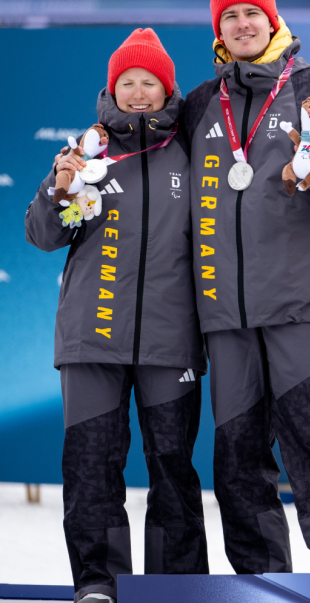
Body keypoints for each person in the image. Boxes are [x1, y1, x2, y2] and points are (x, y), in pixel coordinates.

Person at [181, 0, 310, 574]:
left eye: (251, 14)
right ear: (219, 31)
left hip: (301, 307)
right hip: (227, 316)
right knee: (238, 461)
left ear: (273, 21)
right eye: (229, 18)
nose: (242, 25)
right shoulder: (196, 105)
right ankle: (260, 585)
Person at [26, 29, 208, 602]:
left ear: (165, 88)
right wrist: (59, 190)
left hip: (170, 339)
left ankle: (173, 587)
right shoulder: (86, 152)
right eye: (126, 81)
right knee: (91, 467)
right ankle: (99, 582)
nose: (136, 92)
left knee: (173, 469)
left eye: (147, 82)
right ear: (111, 88)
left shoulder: (191, 149)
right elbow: (41, 234)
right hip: (91, 338)